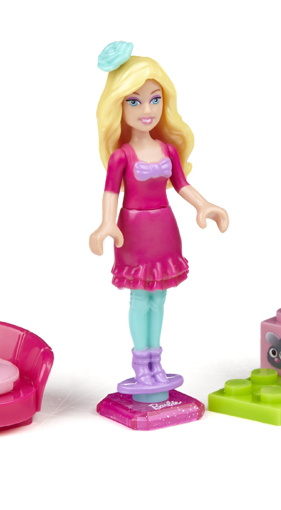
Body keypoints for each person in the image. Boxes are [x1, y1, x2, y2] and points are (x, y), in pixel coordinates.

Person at [89, 41, 229, 391]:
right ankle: (141, 364)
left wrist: (204, 205)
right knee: (140, 296)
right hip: (133, 231)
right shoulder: (121, 156)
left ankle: (157, 363)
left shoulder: (168, 149)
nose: (147, 109)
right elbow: (111, 192)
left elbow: (181, 184)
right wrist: (107, 223)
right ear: (118, 106)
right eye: (134, 101)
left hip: (164, 227)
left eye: (155, 99)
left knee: (160, 296)